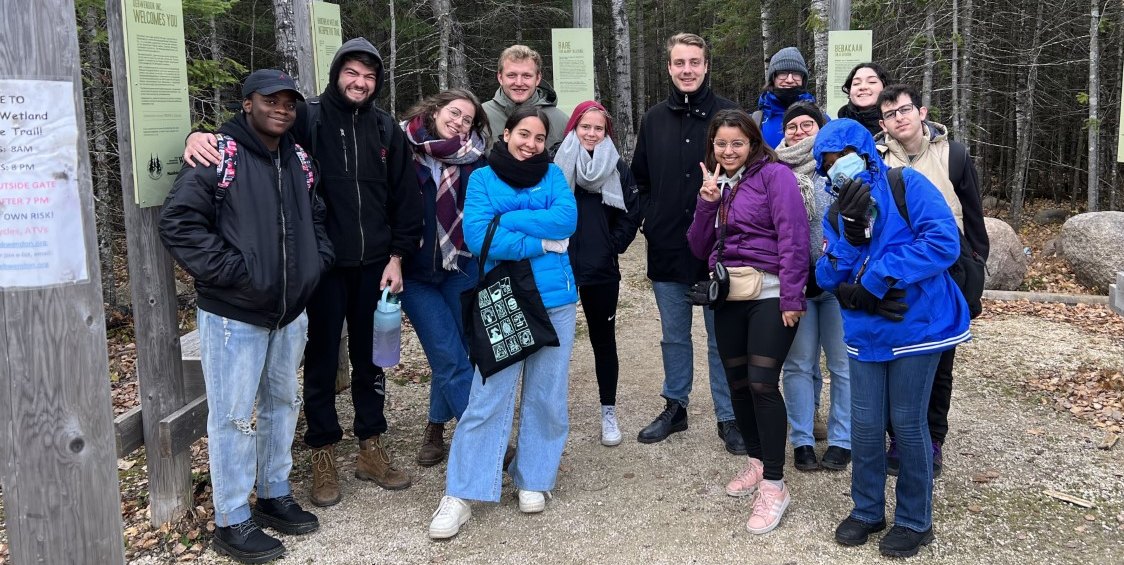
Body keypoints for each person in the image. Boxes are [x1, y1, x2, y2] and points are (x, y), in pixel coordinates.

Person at [183, 38, 423, 505]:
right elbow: (257, 134)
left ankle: (371, 445)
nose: (361, 82)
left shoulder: (385, 130)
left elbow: (405, 197)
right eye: (352, 72)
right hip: (322, 266)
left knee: (375, 356)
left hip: (376, 264)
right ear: (337, 73)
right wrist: (201, 135)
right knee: (321, 357)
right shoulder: (308, 118)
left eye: (370, 76)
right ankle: (323, 452)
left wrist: (397, 255)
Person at [159, 69, 334, 564]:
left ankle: (274, 492)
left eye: (288, 102)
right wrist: (237, 273)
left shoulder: (298, 159)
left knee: (282, 401)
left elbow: (315, 217)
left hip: (289, 310)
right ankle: (232, 517)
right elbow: (179, 221)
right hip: (235, 314)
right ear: (247, 104)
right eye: (270, 100)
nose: (281, 108)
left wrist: (313, 265)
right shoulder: (220, 155)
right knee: (234, 417)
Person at [813, 118, 970, 558]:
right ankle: (866, 509)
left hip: (917, 324)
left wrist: (879, 275)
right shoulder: (835, 211)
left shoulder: (907, 186)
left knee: (906, 422)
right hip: (866, 331)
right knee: (864, 425)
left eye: (839, 157)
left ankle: (915, 520)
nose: (834, 169)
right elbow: (826, 274)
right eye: (825, 164)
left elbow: (943, 243)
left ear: (864, 152)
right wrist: (848, 237)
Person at [428, 106, 578, 540]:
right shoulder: (482, 178)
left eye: (538, 138)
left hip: (555, 299)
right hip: (504, 296)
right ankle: (461, 493)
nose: (530, 144)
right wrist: (543, 240)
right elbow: (479, 238)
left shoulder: (551, 175)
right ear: (506, 132)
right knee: (490, 394)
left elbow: (566, 220)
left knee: (547, 394)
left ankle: (534, 478)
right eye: (523, 134)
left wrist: (506, 219)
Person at [686, 109, 808, 534]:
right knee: (737, 382)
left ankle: (775, 484)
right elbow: (699, 247)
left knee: (761, 382)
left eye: (737, 142)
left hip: (772, 294)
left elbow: (794, 235)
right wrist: (706, 204)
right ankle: (757, 461)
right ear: (712, 147)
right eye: (721, 144)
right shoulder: (717, 184)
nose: (729, 150)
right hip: (730, 295)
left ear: (753, 142)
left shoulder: (776, 177)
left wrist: (793, 296)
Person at [631, 32, 744, 455]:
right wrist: (648, 217)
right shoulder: (654, 119)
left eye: (694, 62)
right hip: (667, 245)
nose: (687, 70)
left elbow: (751, 177)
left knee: (722, 337)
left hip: (722, 248)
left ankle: (728, 414)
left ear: (706, 65)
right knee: (674, 336)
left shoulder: (730, 115)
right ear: (669, 68)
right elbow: (639, 178)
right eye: (679, 63)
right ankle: (675, 406)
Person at [874, 84, 989, 478]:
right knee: (896, 356)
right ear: (883, 123)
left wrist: (975, 267)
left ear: (921, 112)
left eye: (904, 110)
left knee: (940, 360)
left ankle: (933, 438)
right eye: (890, 114)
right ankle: (897, 436)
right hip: (898, 270)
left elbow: (973, 216)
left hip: (947, 269)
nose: (899, 118)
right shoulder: (876, 158)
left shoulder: (952, 154)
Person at [397, 89, 489, 467]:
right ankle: (484, 441)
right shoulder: (401, 147)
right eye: (454, 113)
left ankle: (436, 426)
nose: (459, 122)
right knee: (448, 356)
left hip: (461, 267)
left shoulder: (476, 160)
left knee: (459, 350)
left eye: (467, 119)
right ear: (434, 110)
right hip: (415, 274)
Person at [553, 100, 642, 446]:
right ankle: (552, 414)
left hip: (600, 268)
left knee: (603, 342)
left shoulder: (616, 165)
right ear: (574, 127)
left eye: (598, 128)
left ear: (607, 132)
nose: (591, 134)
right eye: (585, 127)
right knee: (554, 345)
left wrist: (611, 245)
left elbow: (631, 211)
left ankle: (608, 410)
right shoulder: (554, 163)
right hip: (557, 266)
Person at [774, 102, 852, 472]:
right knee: (799, 364)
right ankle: (802, 439)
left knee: (843, 364)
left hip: (838, 284)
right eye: (793, 126)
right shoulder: (772, 171)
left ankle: (841, 438)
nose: (800, 131)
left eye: (809, 124)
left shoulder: (839, 169)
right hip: (795, 284)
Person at [482, 45, 569, 153]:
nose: (519, 83)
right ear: (500, 77)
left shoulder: (561, 122)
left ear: (537, 79)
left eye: (526, 76)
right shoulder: (481, 117)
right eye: (511, 75)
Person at [753, 47, 816, 148]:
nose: (790, 80)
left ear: (803, 79)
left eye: (796, 74)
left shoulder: (821, 119)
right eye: (783, 74)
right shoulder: (755, 121)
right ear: (772, 78)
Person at [837, 63, 893, 135]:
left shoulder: (899, 122)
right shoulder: (837, 128)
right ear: (849, 91)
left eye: (871, 82)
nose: (863, 87)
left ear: (885, 87)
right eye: (856, 83)